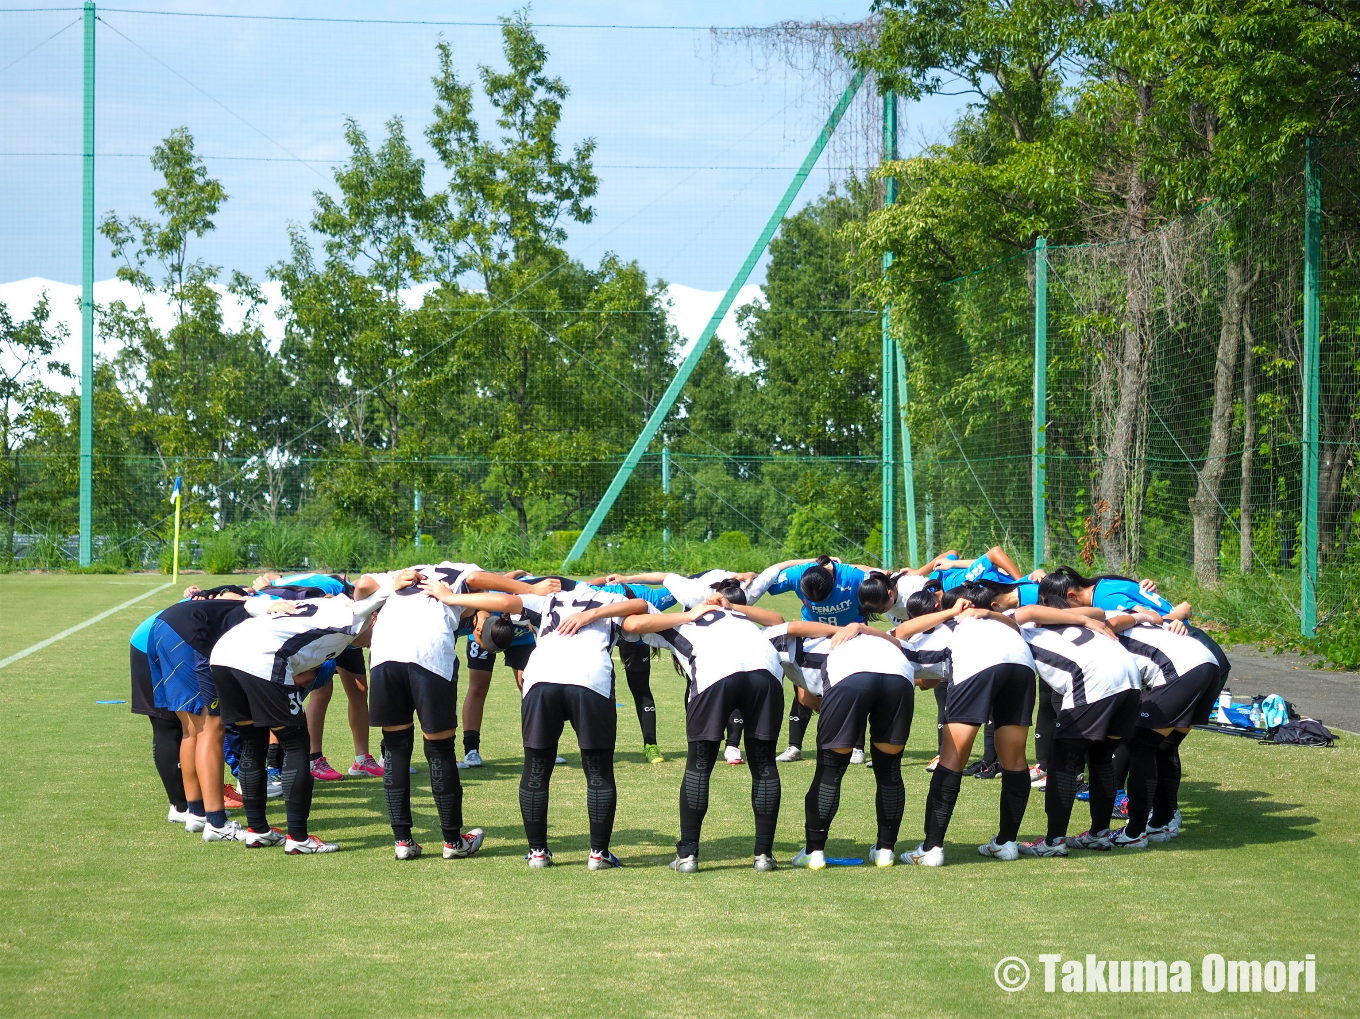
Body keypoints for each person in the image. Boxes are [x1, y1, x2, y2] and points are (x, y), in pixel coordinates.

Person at [423, 581, 650, 870]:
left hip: (541, 678)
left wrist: (450, 597)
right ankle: (598, 854)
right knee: (598, 769)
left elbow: (504, 602)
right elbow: (639, 606)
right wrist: (592, 615)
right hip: (590, 680)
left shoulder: (548, 599)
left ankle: (538, 852)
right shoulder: (610, 600)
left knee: (536, 768)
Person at [367, 563, 557, 861]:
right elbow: (476, 578)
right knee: (440, 750)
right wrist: (532, 589)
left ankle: (402, 841)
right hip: (426, 655)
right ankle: (453, 842)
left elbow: (362, 585)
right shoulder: (461, 573)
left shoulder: (403, 573)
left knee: (395, 749)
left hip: (383, 657)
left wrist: (383, 593)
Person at [209, 579, 392, 854]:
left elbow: (254, 604)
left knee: (252, 741)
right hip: (259, 657)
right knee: (296, 743)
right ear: (375, 619)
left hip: (223, 655)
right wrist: (399, 580)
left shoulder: (324, 608)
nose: (370, 646)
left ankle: (257, 831)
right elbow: (371, 593)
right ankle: (299, 838)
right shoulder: (353, 615)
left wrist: (267, 604)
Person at [620, 584, 785, 873]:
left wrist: (688, 615)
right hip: (765, 672)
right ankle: (764, 856)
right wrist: (730, 607)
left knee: (699, 765)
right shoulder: (736, 617)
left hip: (715, 674)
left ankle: (688, 856)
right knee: (764, 764)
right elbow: (777, 619)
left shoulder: (682, 623)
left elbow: (633, 623)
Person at [895, 584, 1038, 866]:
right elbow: (1015, 625)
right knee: (1015, 760)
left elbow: (901, 634)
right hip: (1022, 667)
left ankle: (931, 848)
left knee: (952, 758)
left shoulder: (955, 623)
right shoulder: (1005, 624)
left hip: (979, 668)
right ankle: (1007, 843)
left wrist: (949, 612)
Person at [1007, 601, 1143, 855]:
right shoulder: (1071, 621)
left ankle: (1053, 842)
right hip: (1130, 680)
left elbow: (1026, 613)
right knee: (1101, 757)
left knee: (1062, 761)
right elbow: (1098, 612)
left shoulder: (1020, 625)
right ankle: (1099, 834)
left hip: (1094, 681)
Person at [146, 591, 284, 841]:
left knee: (191, 729)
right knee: (213, 727)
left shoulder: (266, 605)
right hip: (185, 633)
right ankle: (217, 823)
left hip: (165, 624)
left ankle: (197, 813)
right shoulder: (277, 614)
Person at [783, 620, 918, 870]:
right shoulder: (878, 637)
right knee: (890, 771)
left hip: (850, 677)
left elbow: (809, 696)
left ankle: (814, 852)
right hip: (899, 677)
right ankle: (885, 850)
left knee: (830, 770)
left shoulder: (808, 648)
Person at [1107, 607, 1221, 847]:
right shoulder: (1134, 618)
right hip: (1209, 663)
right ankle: (1162, 822)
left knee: (1141, 746)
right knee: (1165, 746)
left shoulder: (1103, 623)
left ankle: (1135, 833)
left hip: (1184, 670)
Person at [267, 572, 382, 782]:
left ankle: (362, 759)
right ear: (373, 619)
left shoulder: (358, 616)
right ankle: (311, 760)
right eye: (375, 638)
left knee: (359, 690)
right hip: (317, 632)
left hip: (346, 632)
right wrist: (269, 582)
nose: (371, 645)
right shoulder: (331, 591)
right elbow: (273, 586)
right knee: (319, 690)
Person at [130, 610, 190, 824]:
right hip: (151, 643)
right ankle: (180, 806)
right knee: (169, 724)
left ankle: (195, 799)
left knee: (193, 723)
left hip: (170, 637)